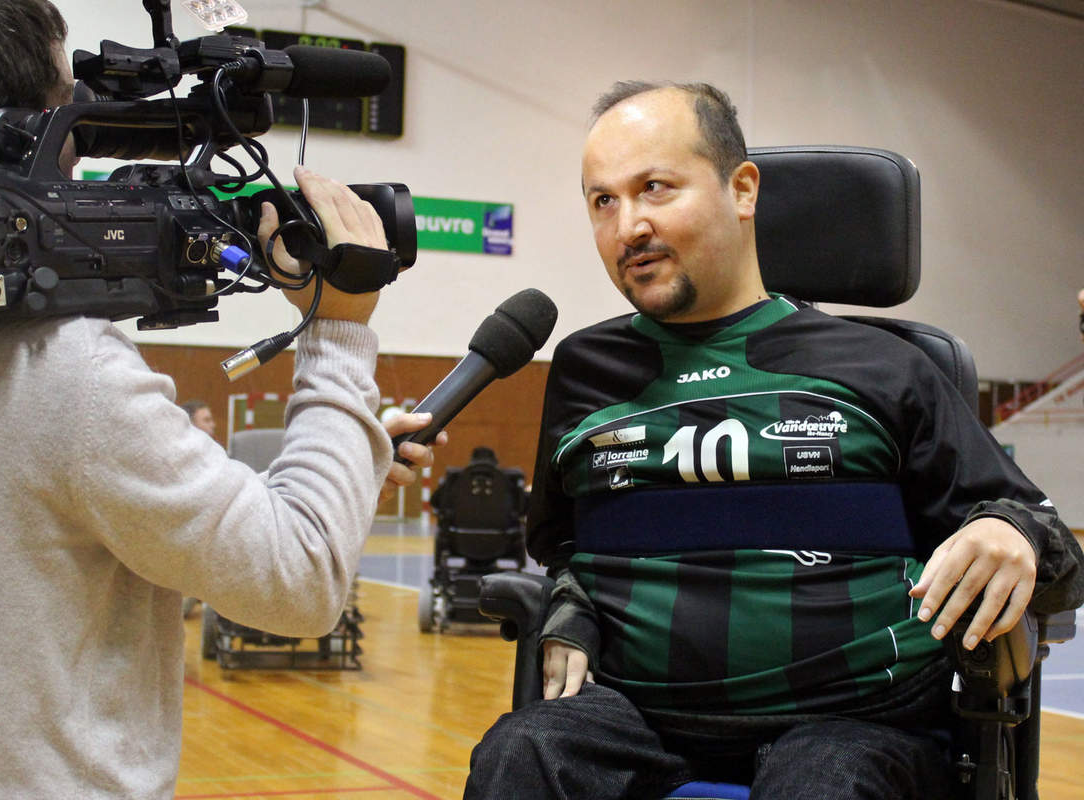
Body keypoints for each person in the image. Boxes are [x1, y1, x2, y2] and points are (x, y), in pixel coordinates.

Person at [464, 81, 1084, 799]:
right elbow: (562, 543)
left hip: (855, 723)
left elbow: (1050, 544)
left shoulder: (885, 367)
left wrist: (1014, 535)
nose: (628, 224)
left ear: (744, 189)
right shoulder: (584, 371)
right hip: (633, 715)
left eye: (655, 188)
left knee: (823, 784)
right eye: (603, 200)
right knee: (520, 755)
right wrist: (568, 602)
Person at [0, 1, 441, 797]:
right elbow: (303, 578)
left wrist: (351, 454)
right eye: (72, 106)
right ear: (31, 133)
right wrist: (340, 331)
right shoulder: (67, 378)